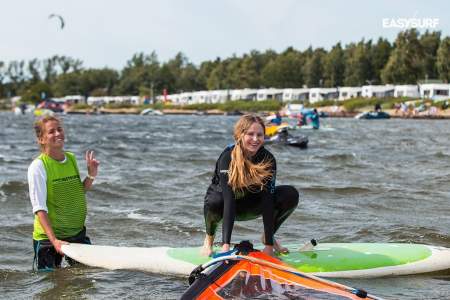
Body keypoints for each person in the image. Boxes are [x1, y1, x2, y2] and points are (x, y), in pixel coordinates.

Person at [201, 114, 299, 257]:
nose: (255, 139)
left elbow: (267, 200)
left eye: (259, 135)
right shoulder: (227, 157)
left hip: (252, 205)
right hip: (225, 206)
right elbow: (228, 201)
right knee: (215, 200)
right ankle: (208, 240)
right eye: (250, 134)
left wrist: (269, 246)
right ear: (240, 134)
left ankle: (268, 237)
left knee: (290, 194)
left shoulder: (268, 159)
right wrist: (225, 247)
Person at [28, 115, 100, 270]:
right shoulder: (38, 167)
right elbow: (39, 208)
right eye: (51, 131)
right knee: (50, 285)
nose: (58, 133)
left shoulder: (71, 158)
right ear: (41, 139)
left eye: (59, 129)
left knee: (85, 279)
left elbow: (78, 191)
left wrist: (91, 174)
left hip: (77, 233)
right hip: (49, 239)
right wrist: (54, 241)